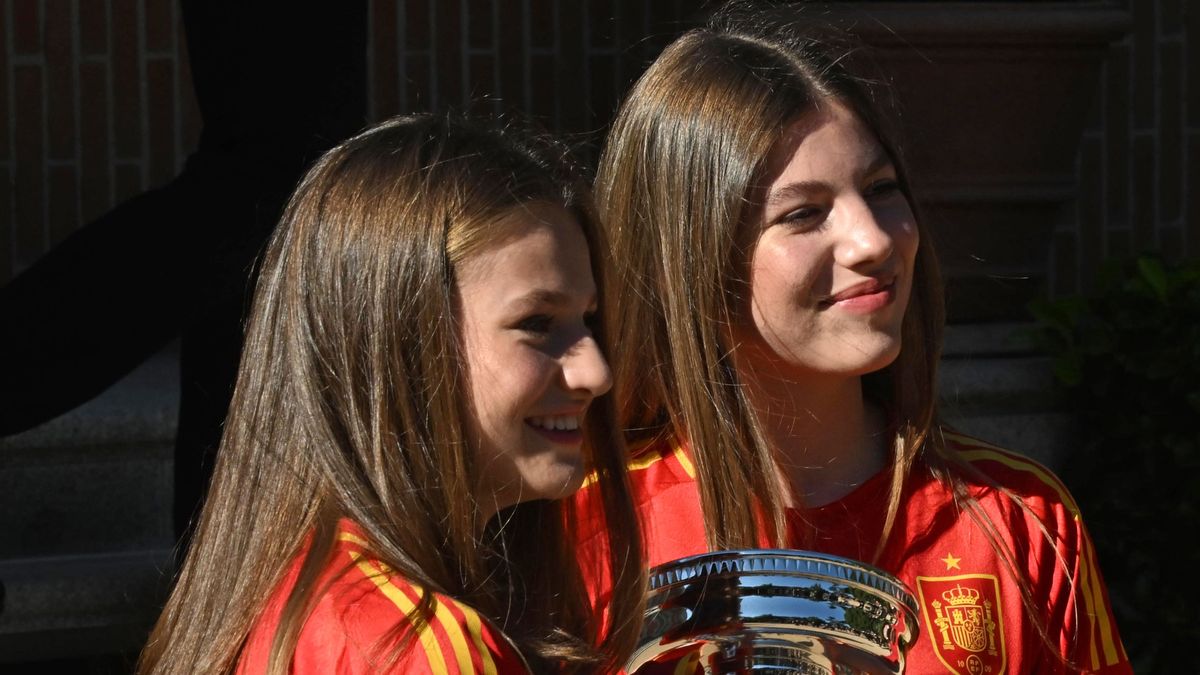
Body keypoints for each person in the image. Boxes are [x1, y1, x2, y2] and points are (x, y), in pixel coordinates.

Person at [574, 7, 1132, 674]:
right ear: (687, 257)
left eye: (882, 188)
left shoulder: (1020, 519)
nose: (874, 240)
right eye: (804, 212)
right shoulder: (577, 526)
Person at [137, 113, 644, 674]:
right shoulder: (418, 648)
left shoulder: (302, 595)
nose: (595, 372)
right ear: (399, 343)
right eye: (539, 323)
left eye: (589, 321)